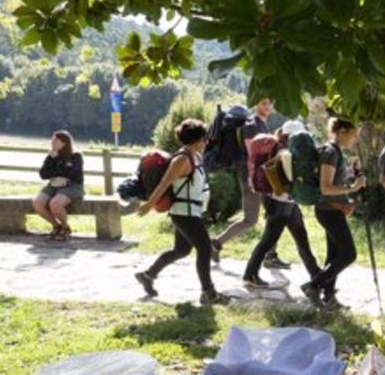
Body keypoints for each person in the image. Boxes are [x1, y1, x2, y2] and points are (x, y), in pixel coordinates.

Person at [135, 119, 230, 306]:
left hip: (192, 212)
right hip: (182, 212)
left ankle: (148, 275)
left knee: (181, 250)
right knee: (204, 248)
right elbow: (164, 183)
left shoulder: (196, 157)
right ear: (198, 139)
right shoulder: (182, 159)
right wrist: (149, 205)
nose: (206, 141)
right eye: (204, 138)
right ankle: (208, 292)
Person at [211, 97, 289, 269]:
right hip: (253, 178)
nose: (267, 106)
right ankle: (215, 244)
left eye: (270, 102)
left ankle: (271, 255)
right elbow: (252, 155)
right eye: (263, 103)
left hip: (262, 178)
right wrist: (252, 180)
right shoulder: (251, 125)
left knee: (272, 214)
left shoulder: (263, 124)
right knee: (251, 219)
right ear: (256, 105)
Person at [243, 120, 322, 289]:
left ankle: (316, 275)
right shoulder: (284, 152)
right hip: (280, 203)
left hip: (287, 202)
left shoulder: (284, 149)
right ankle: (250, 274)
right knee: (269, 240)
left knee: (302, 239)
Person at [300, 117, 366, 308]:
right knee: (349, 255)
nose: (355, 139)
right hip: (328, 212)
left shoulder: (336, 152)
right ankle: (313, 286)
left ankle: (329, 297)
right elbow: (326, 188)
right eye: (354, 135)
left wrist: (347, 198)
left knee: (334, 257)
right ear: (342, 132)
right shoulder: (330, 153)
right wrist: (353, 188)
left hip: (332, 210)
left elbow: (334, 186)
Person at [32, 130, 84, 240]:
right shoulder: (51, 156)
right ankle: (56, 226)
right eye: (52, 139)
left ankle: (65, 228)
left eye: (55, 140)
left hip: (73, 186)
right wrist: (56, 164)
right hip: (53, 185)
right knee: (37, 203)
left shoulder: (76, 156)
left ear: (64, 142)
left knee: (55, 204)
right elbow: (43, 174)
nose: (52, 142)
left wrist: (57, 166)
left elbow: (73, 174)